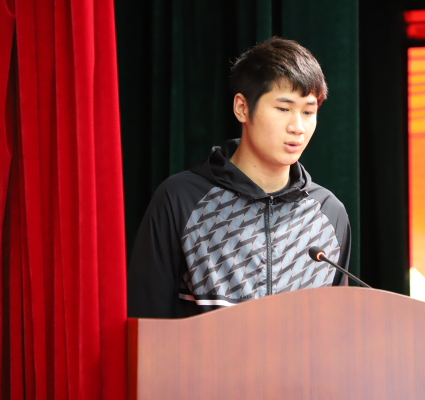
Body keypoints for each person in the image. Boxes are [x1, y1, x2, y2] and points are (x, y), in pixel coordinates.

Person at [127, 37, 351, 318]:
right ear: (242, 108)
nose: (298, 127)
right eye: (283, 109)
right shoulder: (181, 199)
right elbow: (146, 321)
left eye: (308, 112)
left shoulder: (329, 213)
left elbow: (335, 326)